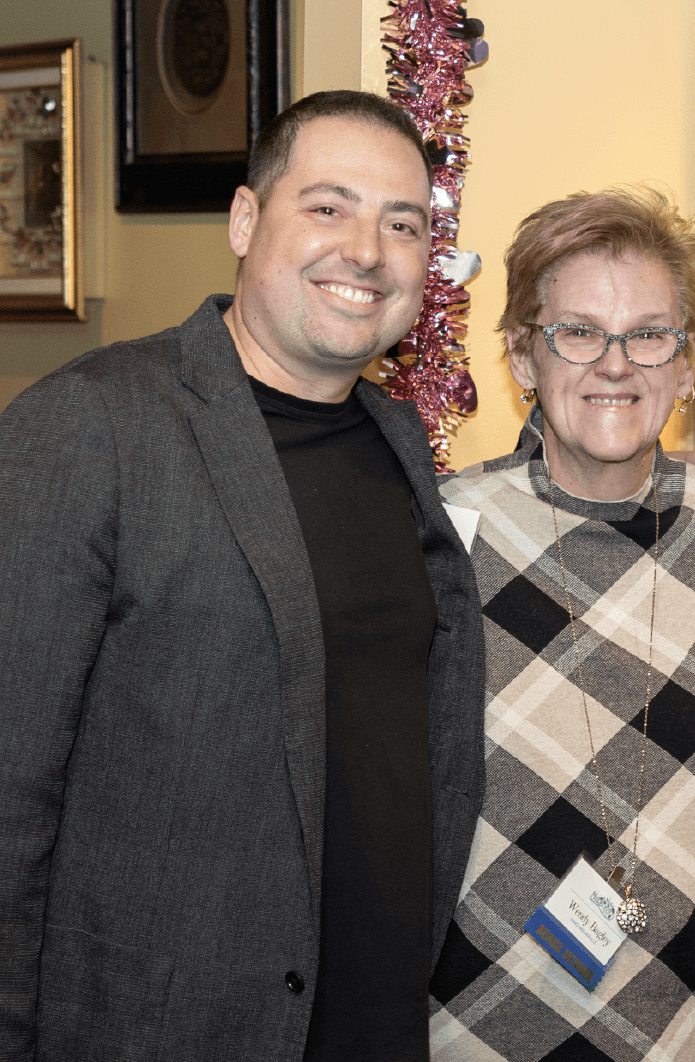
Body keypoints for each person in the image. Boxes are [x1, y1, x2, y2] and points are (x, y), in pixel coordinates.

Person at [0, 90, 485, 1060]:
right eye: (328, 207)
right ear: (244, 219)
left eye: (402, 223)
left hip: (369, 1026)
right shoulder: (89, 428)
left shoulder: (397, 443)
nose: (366, 249)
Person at [427, 187, 695, 1061]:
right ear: (519, 356)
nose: (616, 364)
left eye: (649, 333)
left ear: (686, 364)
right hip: (487, 1018)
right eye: (578, 332)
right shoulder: (441, 535)